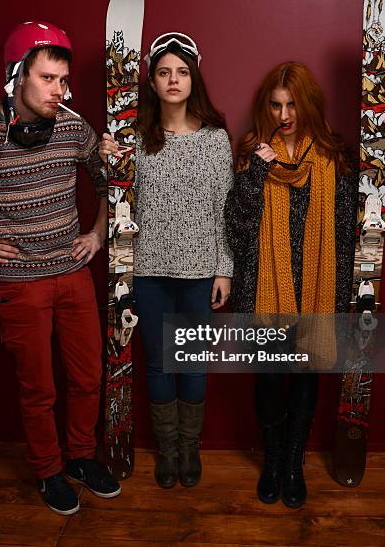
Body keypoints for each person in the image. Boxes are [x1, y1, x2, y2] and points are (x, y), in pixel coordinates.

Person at [0, 21, 121, 515]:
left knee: (87, 378)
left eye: (63, 80)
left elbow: (108, 183)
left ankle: (80, 456)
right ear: (16, 77)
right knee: (39, 389)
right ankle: (49, 471)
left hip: (74, 274)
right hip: (20, 286)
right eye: (47, 79)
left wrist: (98, 234)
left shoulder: (75, 126)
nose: (58, 90)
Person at [224, 62, 385, 508]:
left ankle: (292, 462)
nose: (284, 114)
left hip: (318, 286)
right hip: (265, 286)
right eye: (276, 104)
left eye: (292, 104)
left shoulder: (334, 156)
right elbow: (237, 228)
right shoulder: (250, 152)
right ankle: (271, 460)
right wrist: (255, 175)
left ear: (307, 105)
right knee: (268, 381)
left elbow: (375, 202)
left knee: (304, 381)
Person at [100, 32, 234, 489]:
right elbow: (117, 195)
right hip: (149, 268)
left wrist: (224, 269)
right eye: (163, 72)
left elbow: (225, 208)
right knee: (158, 363)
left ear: (193, 78)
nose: (173, 80)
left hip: (199, 271)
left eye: (181, 72)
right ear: (152, 82)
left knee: (193, 362)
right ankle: (168, 450)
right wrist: (106, 159)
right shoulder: (134, 137)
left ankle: (189, 450)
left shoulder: (216, 138)